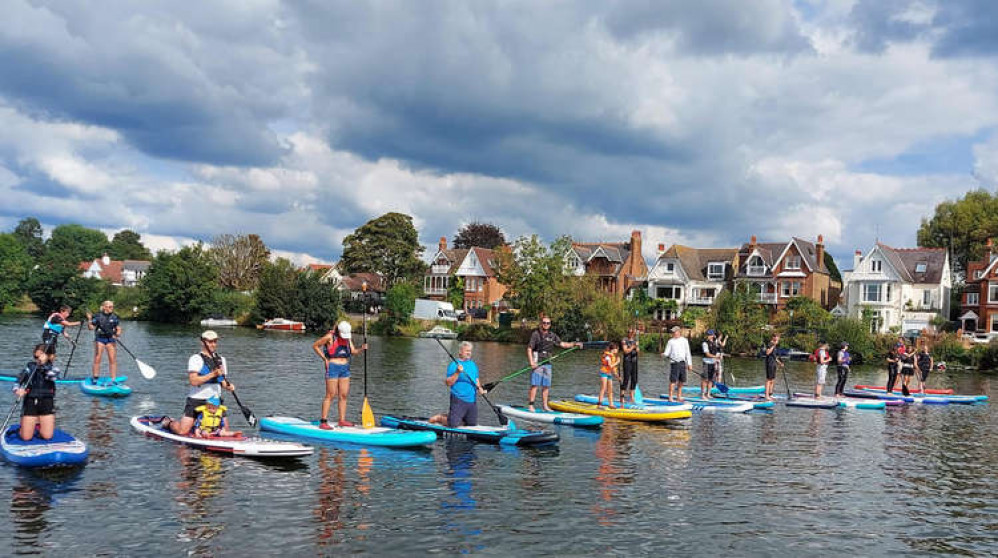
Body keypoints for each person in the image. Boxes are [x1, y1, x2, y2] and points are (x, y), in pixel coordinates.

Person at [164, 331, 235, 436]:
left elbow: (222, 381)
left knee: (225, 431)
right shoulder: (195, 359)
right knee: (182, 431)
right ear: (203, 342)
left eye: (215, 341)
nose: (213, 344)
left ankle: (200, 427)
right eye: (210, 342)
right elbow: (193, 381)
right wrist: (212, 374)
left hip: (215, 401)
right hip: (197, 399)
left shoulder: (221, 360)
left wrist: (229, 386)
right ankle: (168, 422)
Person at [313, 321, 367, 429]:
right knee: (331, 395)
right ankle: (323, 421)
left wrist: (362, 348)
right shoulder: (330, 337)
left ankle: (341, 420)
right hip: (333, 367)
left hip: (345, 368)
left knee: (343, 395)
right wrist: (324, 359)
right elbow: (315, 346)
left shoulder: (347, 338)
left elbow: (353, 352)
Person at [526, 314, 582, 412]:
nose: (546, 325)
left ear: (550, 325)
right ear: (541, 324)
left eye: (548, 323)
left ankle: (545, 406)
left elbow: (562, 344)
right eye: (544, 323)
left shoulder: (552, 335)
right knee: (535, 385)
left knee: (546, 386)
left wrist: (574, 344)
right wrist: (531, 362)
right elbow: (529, 348)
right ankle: (531, 405)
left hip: (548, 363)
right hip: (537, 362)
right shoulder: (535, 334)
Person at [429, 342, 484, 427]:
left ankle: (455, 417)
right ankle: (440, 418)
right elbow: (448, 383)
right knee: (453, 424)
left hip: (471, 400)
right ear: (460, 352)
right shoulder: (454, 365)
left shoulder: (473, 364)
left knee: (471, 424)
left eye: (470, 351)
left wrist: (479, 388)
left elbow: (476, 379)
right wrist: (457, 372)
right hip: (458, 399)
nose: (469, 353)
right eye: (467, 351)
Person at [13, 344, 61, 441]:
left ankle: (38, 423)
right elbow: (18, 381)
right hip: (31, 401)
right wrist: (17, 390)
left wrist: (43, 365)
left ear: (50, 357)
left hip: (47, 402)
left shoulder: (54, 370)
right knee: (26, 437)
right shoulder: (29, 368)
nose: (37, 359)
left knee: (47, 436)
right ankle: (24, 427)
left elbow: (51, 376)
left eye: (39, 357)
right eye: (35, 357)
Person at [87, 300, 122, 382]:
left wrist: (118, 334)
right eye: (110, 307)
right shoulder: (98, 316)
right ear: (104, 307)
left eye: (112, 307)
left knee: (112, 358)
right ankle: (95, 377)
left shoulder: (114, 317)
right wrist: (89, 320)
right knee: (97, 358)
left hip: (110, 339)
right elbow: (91, 328)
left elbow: (118, 328)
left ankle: (113, 379)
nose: (111, 308)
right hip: (100, 339)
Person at [662, 326, 692, 402]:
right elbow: (667, 352)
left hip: (682, 363)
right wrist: (664, 354)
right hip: (674, 363)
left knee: (682, 381)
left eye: (674, 331)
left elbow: (688, 353)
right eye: (672, 332)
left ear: (679, 332)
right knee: (673, 381)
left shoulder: (684, 340)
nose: (673, 333)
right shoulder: (670, 341)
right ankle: (670, 397)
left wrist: (689, 364)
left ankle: (679, 397)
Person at [597, 342, 621, 408]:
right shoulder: (608, 357)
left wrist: (618, 377)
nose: (617, 350)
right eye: (617, 349)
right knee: (603, 388)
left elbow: (613, 369)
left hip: (609, 374)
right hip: (604, 373)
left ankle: (611, 404)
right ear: (613, 349)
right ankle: (599, 404)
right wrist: (617, 362)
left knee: (610, 390)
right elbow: (610, 366)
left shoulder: (613, 357)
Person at [700, 330, 721, 399]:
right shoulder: (704, 343)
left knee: (711, 380)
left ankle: (708, 394)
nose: (708, 336)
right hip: (706, 363)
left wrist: (718, 358)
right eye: (708, 335)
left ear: (713, 335)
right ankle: (703, 395)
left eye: (710, 335)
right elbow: (707, 354)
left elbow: (720, 342)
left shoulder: (715, 342)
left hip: (713, 363)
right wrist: (716, 357)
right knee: (705, 379)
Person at [620, 329, 639, 404]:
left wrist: (637, 347)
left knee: (634, 379)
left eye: (632, 332)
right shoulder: (624, 340)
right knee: (626, 379)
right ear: (628, 333)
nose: (631, 334)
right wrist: (633, 347)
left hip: (634, 361)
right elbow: (625, 351)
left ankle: (632, 396)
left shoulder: (635, 340)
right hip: (627, 362)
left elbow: (638, 351)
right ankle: (622, 397)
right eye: (630, 332)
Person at [763, 333, 783, 401]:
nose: (778, 339)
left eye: (779, 338)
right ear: (774, 337)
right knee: (768, 380)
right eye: (777, 337)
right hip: (769, 364)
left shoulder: (775, 345)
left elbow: (774, 357)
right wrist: (773, 345)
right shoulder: (770, 344)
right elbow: (767, 353)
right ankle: (766, 396)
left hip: (773, 364)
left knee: (772, 380)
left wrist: (780, 363)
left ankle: (770, 395)